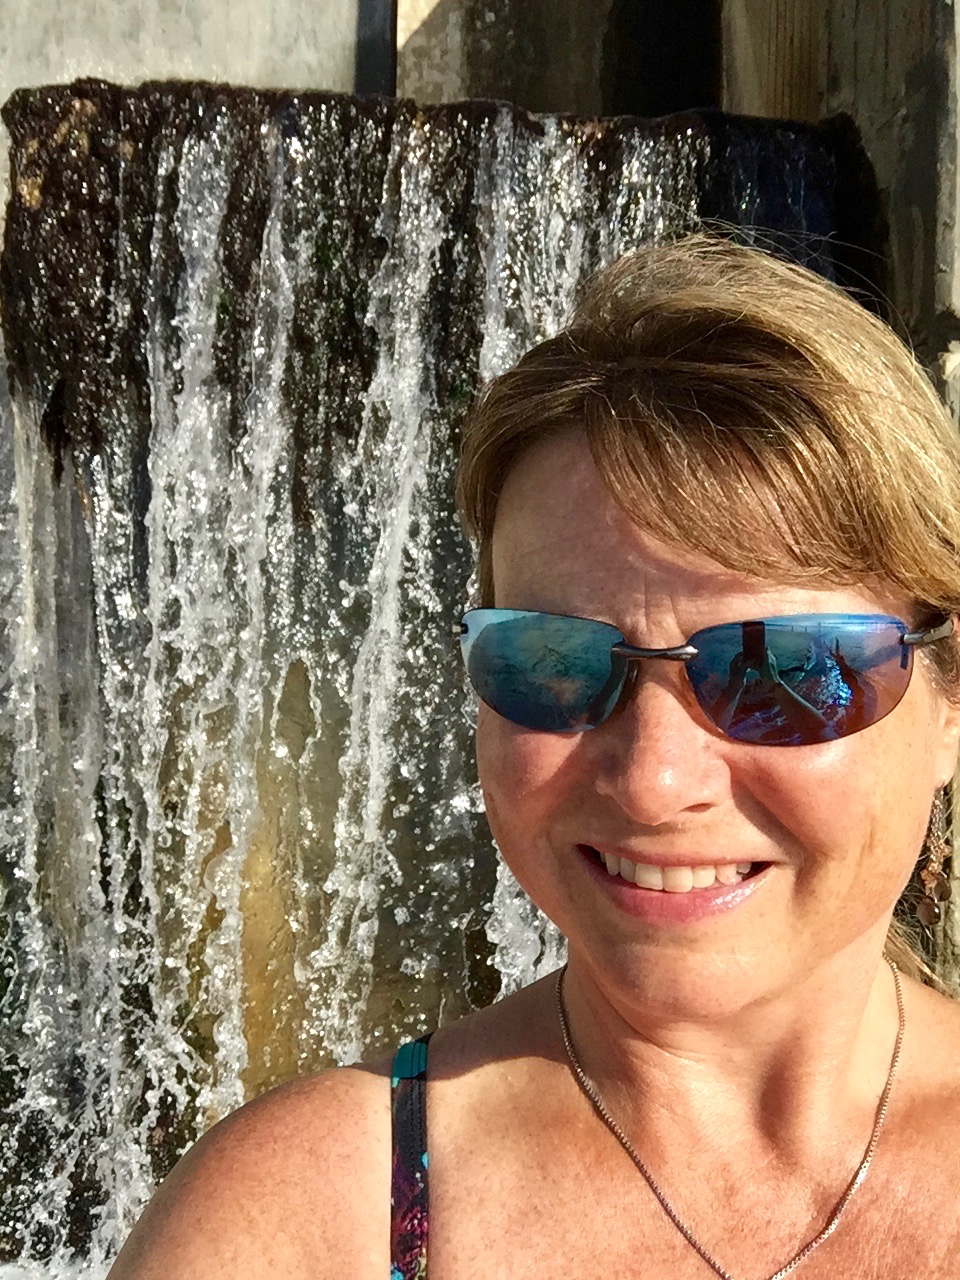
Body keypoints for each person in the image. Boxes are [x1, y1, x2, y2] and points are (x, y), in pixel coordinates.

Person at [107, 235, 960, 1279]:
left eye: (779, 670)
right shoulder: (299, 1228)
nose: (652, 780)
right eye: (554, 661)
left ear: (949, 701)